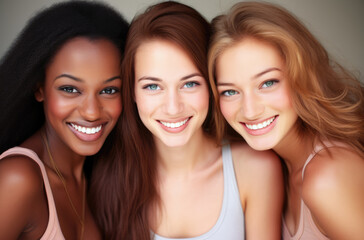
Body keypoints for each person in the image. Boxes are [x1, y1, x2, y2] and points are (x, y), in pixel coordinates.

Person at [94, 1, 283, 239]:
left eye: (190, 83)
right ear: (131, 91)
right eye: (153, 86)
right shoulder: (107, 174)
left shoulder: (255, 168)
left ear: (212, 84)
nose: (173, 107)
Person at [208, 2, 364, 240]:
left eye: (268, 83)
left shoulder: (328, 176)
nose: (250, 111)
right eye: (230, 91)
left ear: (302, 76)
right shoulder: (273, 164)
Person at [0, 1, 128, 239]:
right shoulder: (17, 178)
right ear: (39, 89)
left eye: (109, 90)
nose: (91, 112)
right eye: (70, 89)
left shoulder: (101, 174)